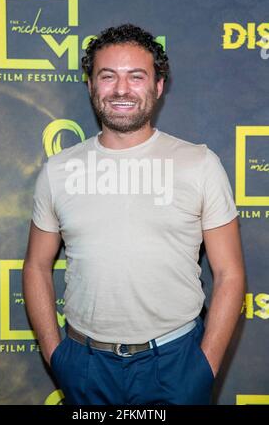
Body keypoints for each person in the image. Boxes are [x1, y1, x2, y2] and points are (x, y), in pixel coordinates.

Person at [22, 24, 245, 405]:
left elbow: (230, 274)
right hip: (84, 365)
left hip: (176, 365)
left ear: (158, 87)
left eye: (135, 77)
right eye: (107, 76)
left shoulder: (200, 164)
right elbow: (36, 266)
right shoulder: (59, 170)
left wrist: (203, 368)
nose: (121, 89)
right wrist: (57, 354)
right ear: (92, 86)